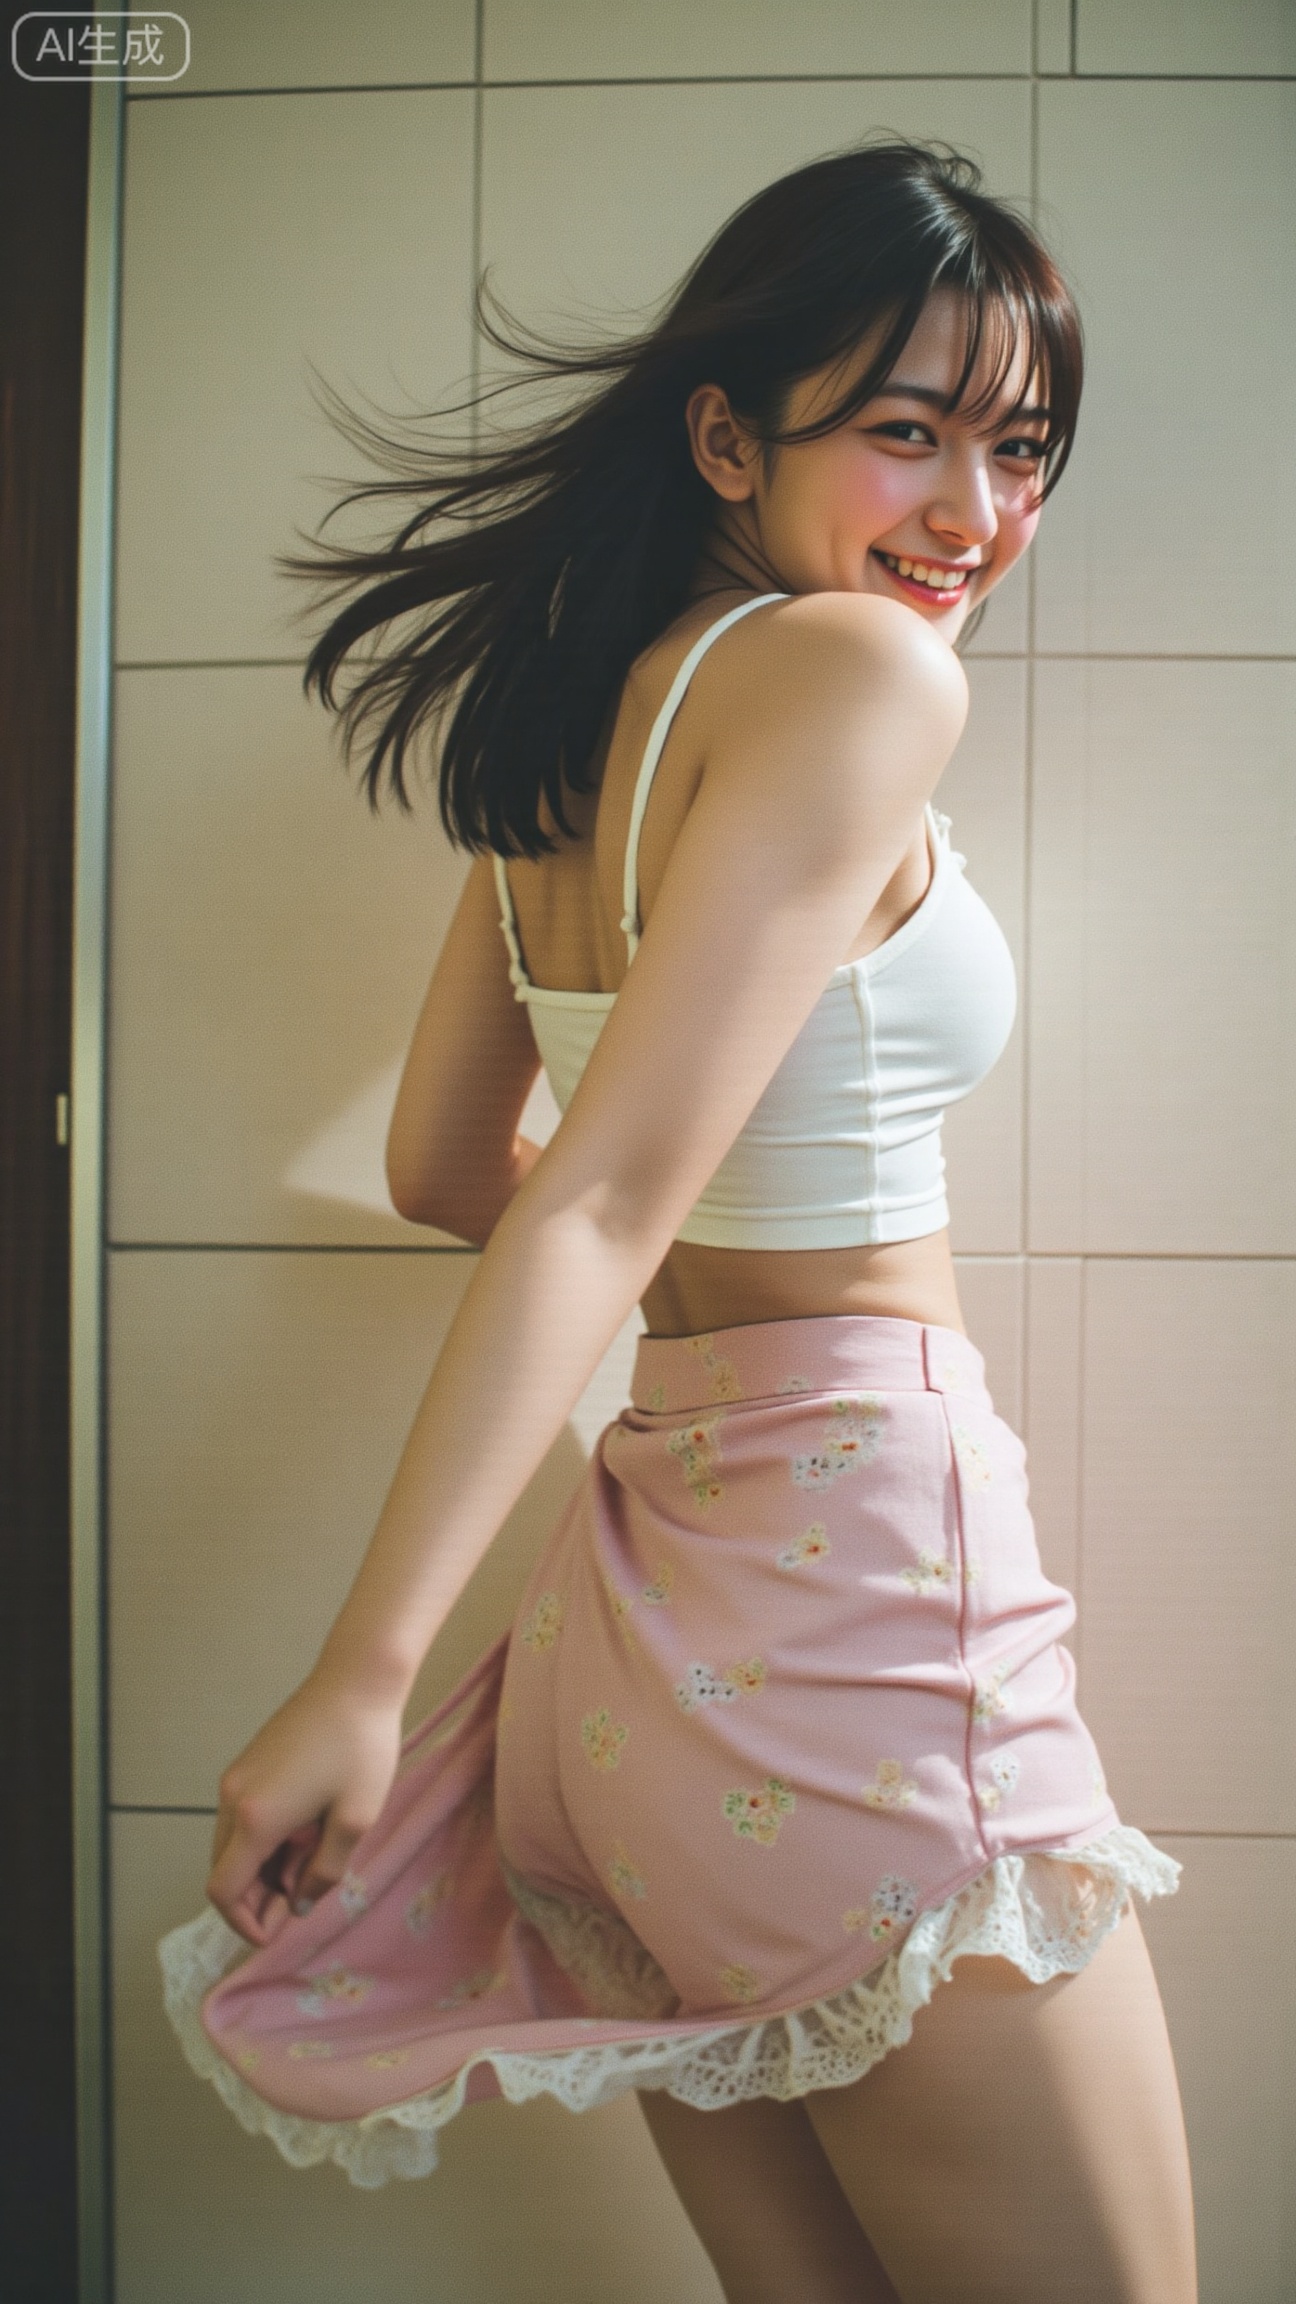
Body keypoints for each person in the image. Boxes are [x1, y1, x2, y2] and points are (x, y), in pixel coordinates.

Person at [160, 142, 1198, 2302]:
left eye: (1023, 448)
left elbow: (456, 1167)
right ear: (727, 433)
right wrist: (357, 1677)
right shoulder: (856, 679)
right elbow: (600, 1197)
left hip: (633, 1641)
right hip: (859, 1614)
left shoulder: (582, 724)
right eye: (906, 430)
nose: (975, 516)